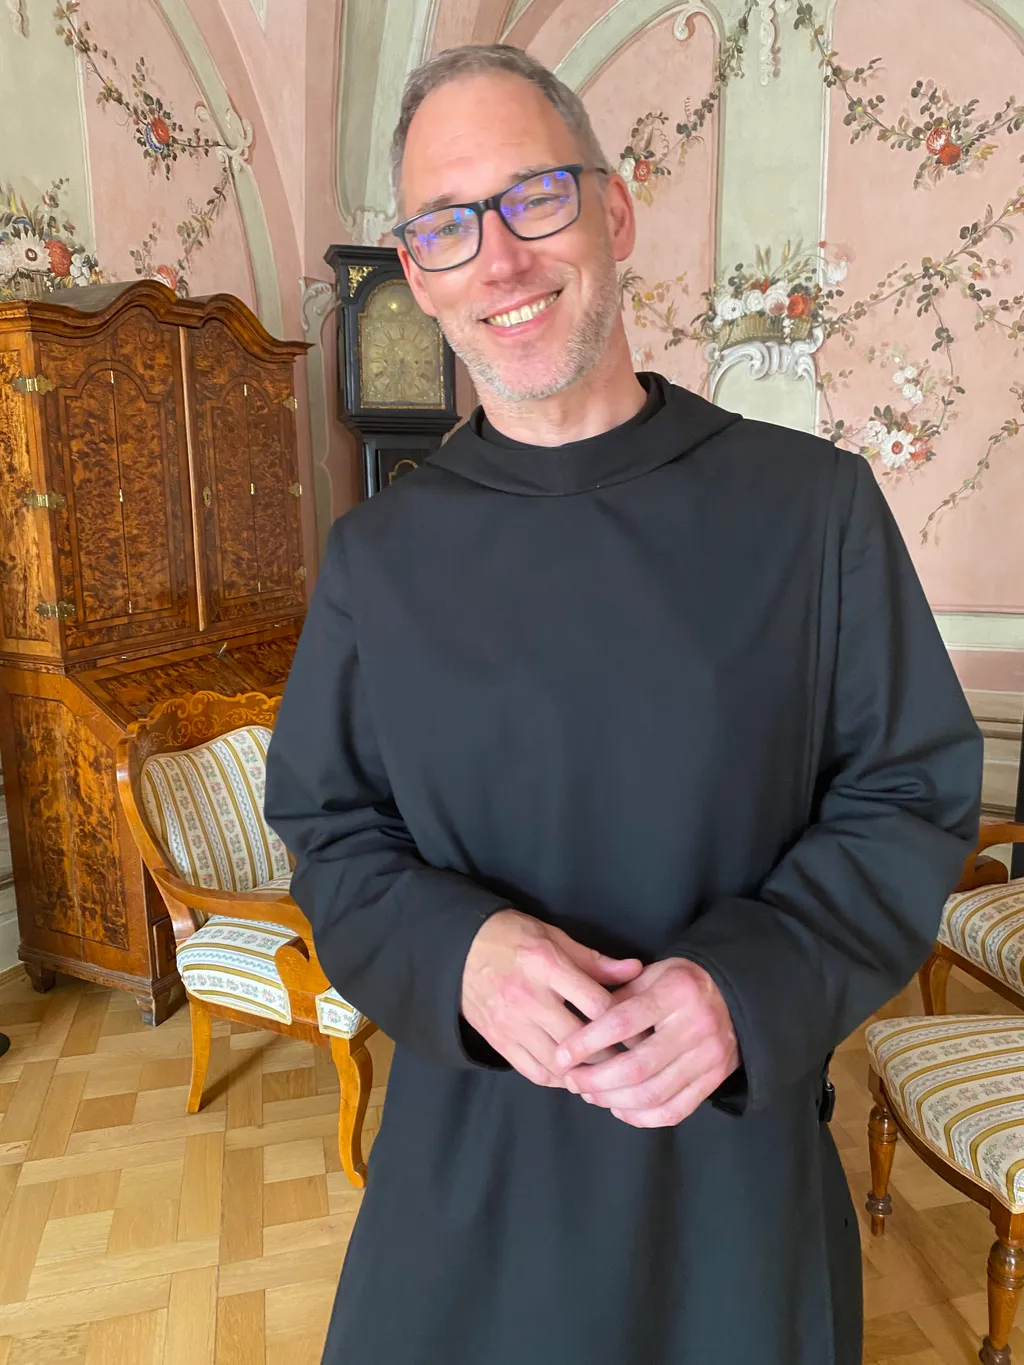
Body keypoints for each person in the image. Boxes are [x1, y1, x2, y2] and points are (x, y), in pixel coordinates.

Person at [264, 43, 983, 1365]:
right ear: (417, 271)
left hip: (730, 1178)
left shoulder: (811, 509)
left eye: (534, 196)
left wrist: (748, 982)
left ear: (616, 210)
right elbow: (332, 830)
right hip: (470, 1168)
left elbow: (906, 791)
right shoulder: (377, 558)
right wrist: (459, 952)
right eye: (446, 225)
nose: (498, 259)